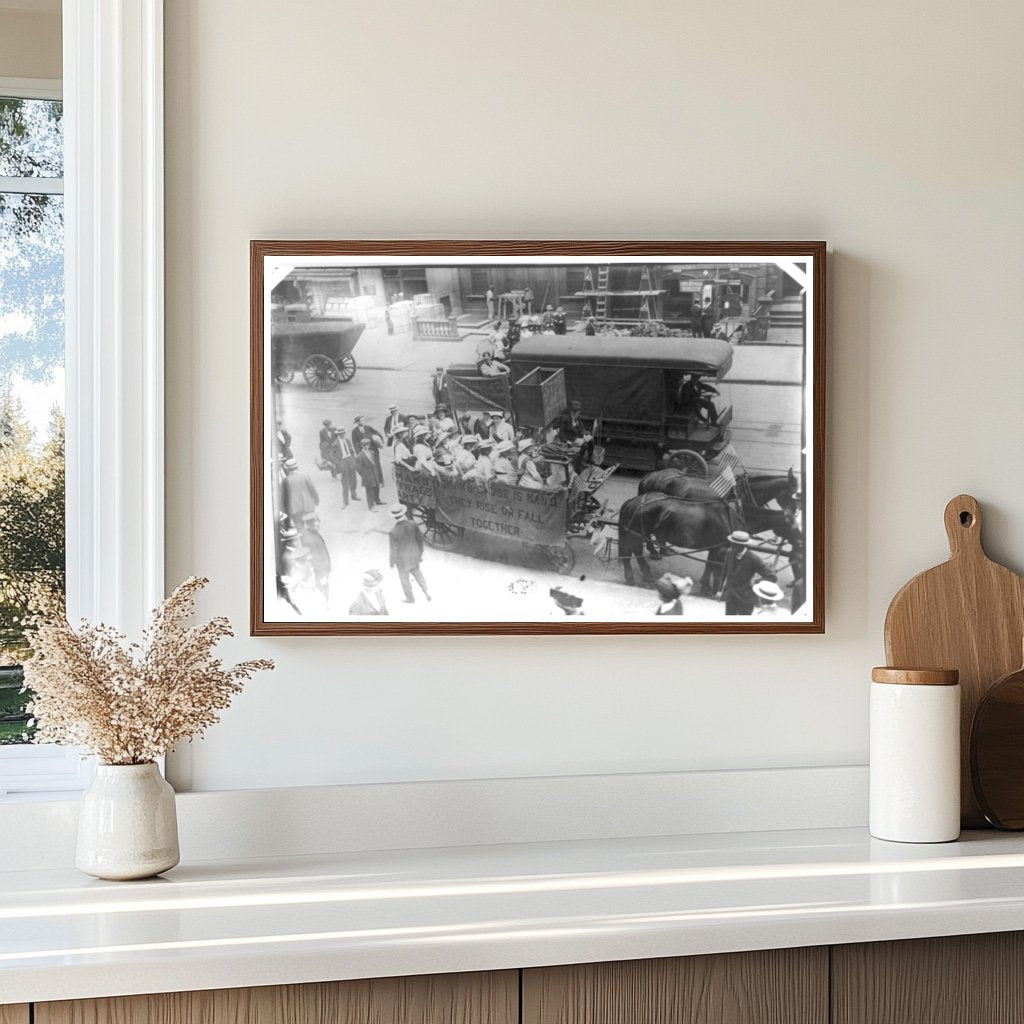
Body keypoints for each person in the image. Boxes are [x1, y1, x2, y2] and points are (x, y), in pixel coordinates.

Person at [720, 531, 778, 616]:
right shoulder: (729, 553)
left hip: (745, 599)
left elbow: (772, 576)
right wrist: (719, 590)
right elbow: (724, 572)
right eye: (732, 543)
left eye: (734, 544)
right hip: (730, 596)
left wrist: (756, 581)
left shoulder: (753, 559)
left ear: (742, 546)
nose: (731, 546)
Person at [389, 504, 431, 604]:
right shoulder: (413, 524)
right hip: (415, 556)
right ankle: (426, 592)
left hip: (402, 561)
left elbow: (393, 550)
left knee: (404, 579)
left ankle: (410, 598)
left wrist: (392, 563)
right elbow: (420, 539)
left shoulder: (393, 532)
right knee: (418, 574)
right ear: (403, 514)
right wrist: (420, 552)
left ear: (395, 517)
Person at [301, 513, 332, 601]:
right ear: (310, 524)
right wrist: (323, 575)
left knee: (323, 590)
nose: (318, 524)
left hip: (322, 570)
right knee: (322, 590)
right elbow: (315, 559)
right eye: (316, 523)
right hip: (320, 572)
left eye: (318, 522)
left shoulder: (311, 532)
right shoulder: (310, 539)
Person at [352, 415, 385, 494]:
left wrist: (380, 442)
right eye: (361, 421)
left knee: (377, 465)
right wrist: (358, 453)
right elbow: (354, 443)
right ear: (357, 422)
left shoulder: (368, 427)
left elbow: (378, 434)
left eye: (363, 420)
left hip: (373, 450)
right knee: (370, 467)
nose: (363, 422)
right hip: (364, 452)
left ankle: (380, 481)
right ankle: (374, 482)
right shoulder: (354, 431)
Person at [282, 458, 319, 525]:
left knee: (299, 528)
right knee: (311, 525)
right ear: (297, 467)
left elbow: (285, 497)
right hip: (308, 506)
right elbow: (312, 489)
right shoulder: (305, 476)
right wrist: (316, 500)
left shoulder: (286, 480)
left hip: (295, 509)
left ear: (287, 469)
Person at [355, 438, 383, 510]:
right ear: (361, 446)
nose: (366, 446)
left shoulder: (371, 452)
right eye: (364, 445)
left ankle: (377, 500)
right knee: (369, 490)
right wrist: (364, 475)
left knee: (376, 487)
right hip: (367, 475)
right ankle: (370, 506)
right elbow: (359, 469)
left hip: (374, 472)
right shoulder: (359, 456)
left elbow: (374, 463)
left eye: (368, 444)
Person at [334, 426, 358, 507]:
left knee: (353, 478)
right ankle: (345, 501)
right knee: (345, 481)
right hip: (343, 461)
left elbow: (351, 451)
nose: (342, 435)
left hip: (350, 459)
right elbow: (334, 456)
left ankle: (354, 495)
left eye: (343, 433)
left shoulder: (347, 441)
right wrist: (340, 465)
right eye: (340, 434)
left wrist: (353, 459)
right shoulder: (335, 443)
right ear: (338, 434)